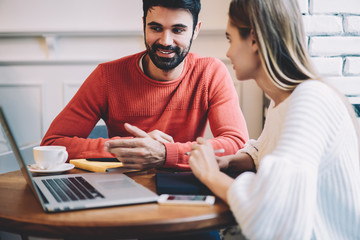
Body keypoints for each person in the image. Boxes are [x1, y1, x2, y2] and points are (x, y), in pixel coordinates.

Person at [189, 0, 360, 239]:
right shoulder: (284, 101)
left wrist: (210, 174)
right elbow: (268, 153)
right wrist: (229, 161)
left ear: (255, 40)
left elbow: (272, 214)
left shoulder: (310, 99)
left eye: (231, 39)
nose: (227, 52)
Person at [40, 0, 249, 171]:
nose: (166, 41)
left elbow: (236, 143)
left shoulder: (210, 72)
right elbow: (52, 143)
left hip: (182, 190)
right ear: (143, 25)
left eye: (178, 30)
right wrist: (133, 148)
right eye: (156, 28)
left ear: (195, 30)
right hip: (122, 188)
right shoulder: (107, 76)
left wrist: (165, 152)